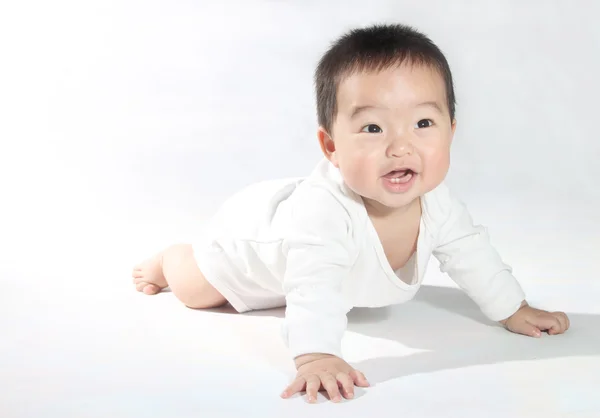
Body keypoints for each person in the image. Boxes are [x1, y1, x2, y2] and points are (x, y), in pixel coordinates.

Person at [132, 23, 570, 403]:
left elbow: (471, 252)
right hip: (247, 249)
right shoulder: (323, 213)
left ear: (451, 132)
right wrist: (317, 353)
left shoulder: (437, 202)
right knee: (195, 288)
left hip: (300, 262)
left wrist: (512, 308)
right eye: (373, 128)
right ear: (331, 147)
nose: (401, 146)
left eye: (423, 124)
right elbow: (313, 287)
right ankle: (169, 258)